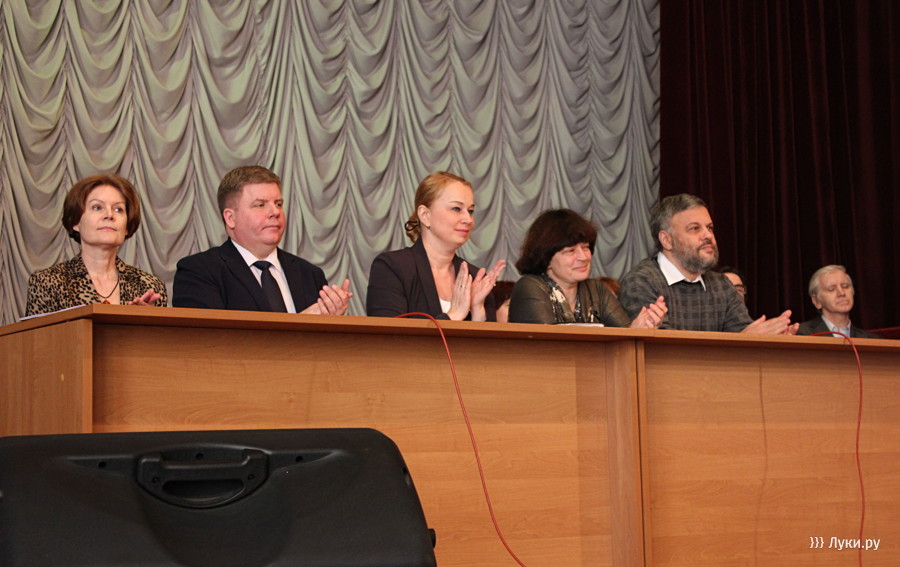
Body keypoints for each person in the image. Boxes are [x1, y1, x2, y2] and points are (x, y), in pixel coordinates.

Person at [173, 166, 351, 314]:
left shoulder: (310, 275)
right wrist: (305, 322)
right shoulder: (199, 272)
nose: (275, 212)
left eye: (278, 204)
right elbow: (208, 341)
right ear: (230, 218)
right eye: (260, 205)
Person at [618, 194, 798, 333]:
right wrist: (744, 340)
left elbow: (743, 335)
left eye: (709, 227)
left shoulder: (721, 285)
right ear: (667, 240)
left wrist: (768, 339)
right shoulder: (641, 281)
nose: (708, 235)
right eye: (695, 228)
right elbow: (663, 350)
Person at [366, 171, 505, 321]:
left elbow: (487, 336)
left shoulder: (476, 278)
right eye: (456, 209)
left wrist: (477, 311)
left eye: (470, 211)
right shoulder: (392, 268)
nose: (468, 220)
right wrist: (454, 315)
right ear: (425, 215)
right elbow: (389, 334)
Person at [26, 174, 166, 316]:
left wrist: (146, 323)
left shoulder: (149, 287)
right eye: (97, 207)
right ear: (75, 221)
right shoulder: (48, 283)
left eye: (118, 209)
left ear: (127, 227)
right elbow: (39, 332)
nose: (109, 215)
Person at [507, 209, 666, 327]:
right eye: (570, 251)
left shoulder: (596, 290)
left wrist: (639, 328)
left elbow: (622, 338)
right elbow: (548, 344)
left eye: (585, 247)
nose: (583, 257)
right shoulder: (530, 286)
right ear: (546, 258)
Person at [797, 265, 880, 338]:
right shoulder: (802, 334)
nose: (841, 293)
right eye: (831, 289)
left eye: (845, 286)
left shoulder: (873, 341)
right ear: (816, 301)